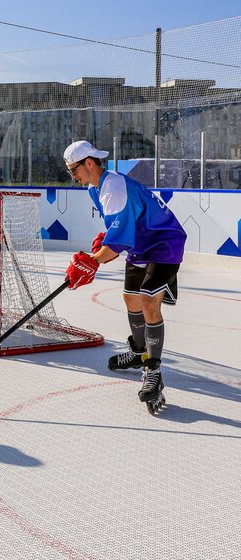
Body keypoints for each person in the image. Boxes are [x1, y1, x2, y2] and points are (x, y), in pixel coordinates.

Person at [63, 140, 187, 412]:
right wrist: (103, 241)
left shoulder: (113, 186)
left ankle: (153, 371)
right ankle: (139, 351)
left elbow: (116, 245)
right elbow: (117, 230)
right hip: (140, 244)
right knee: (130, 298)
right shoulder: (95, 189)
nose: (74, 176)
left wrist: (92, 261)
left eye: (74, 170)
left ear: (89, 163)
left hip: (164, 241)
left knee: (147, 301)